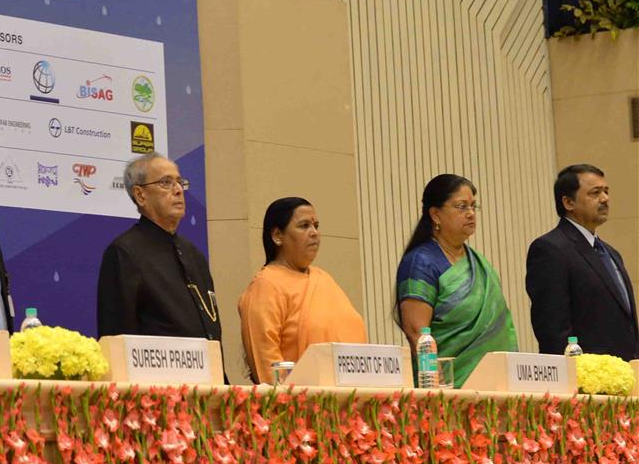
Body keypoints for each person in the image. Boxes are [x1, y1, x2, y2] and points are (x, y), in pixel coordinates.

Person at [395, 173, 516, 387]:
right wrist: (439, 389)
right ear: (435, 214)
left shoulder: (478, 263)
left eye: (473, 206)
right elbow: (418, 335)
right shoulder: (421, 263)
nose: (470, 214)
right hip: (449, 390)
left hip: (497, 388)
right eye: (461, 207)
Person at [96, 152, 223, 345]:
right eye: (166, 182)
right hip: (158, 374)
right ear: (140, 195)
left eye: (180, 182)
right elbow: (117, 339)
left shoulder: (193, 254)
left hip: (208, 372)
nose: (179, 190)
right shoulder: (124, 252)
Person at [238, 197, 367, 383]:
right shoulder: (266, 285)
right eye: (304, 225)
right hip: (301, 405)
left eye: (316, 225)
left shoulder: (324, 278)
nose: (314, 232)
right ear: (277, 236)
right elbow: (266, 363)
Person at [525, 164, 637, 358]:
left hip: (627, 373)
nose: (605, 199)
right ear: (569, 203)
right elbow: (552, 330)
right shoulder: (550, 249)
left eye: (606, 191)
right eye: (595, 193)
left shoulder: (611, 253)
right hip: (586, 380)